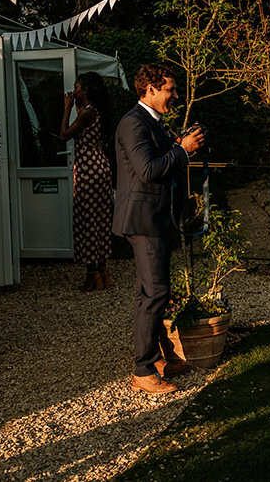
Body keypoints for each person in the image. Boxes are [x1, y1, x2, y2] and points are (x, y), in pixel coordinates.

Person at [113, 63, 204, 395]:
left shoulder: (153, 122)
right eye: (170, 89)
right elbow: (149, 171)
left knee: (148, 292)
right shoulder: (132, 124)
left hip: (157, 218)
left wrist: (178, 146)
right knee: (155, 293)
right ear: (149, 90)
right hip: (144, 219)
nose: (175, 95)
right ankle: (142, 370)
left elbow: (159, 161)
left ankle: (157, 358)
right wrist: (181, 151)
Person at [60, 72, 114, 292]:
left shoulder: (86, 114)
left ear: (86, 91)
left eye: (77, 87)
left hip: (88, 170)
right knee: (100, 220)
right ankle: (102, 271)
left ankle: (93, 275)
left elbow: (64, 135)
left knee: (88, 221)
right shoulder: (94, 112)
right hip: (101, 166)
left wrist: (66, 108)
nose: (74, 91)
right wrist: (75, 107)